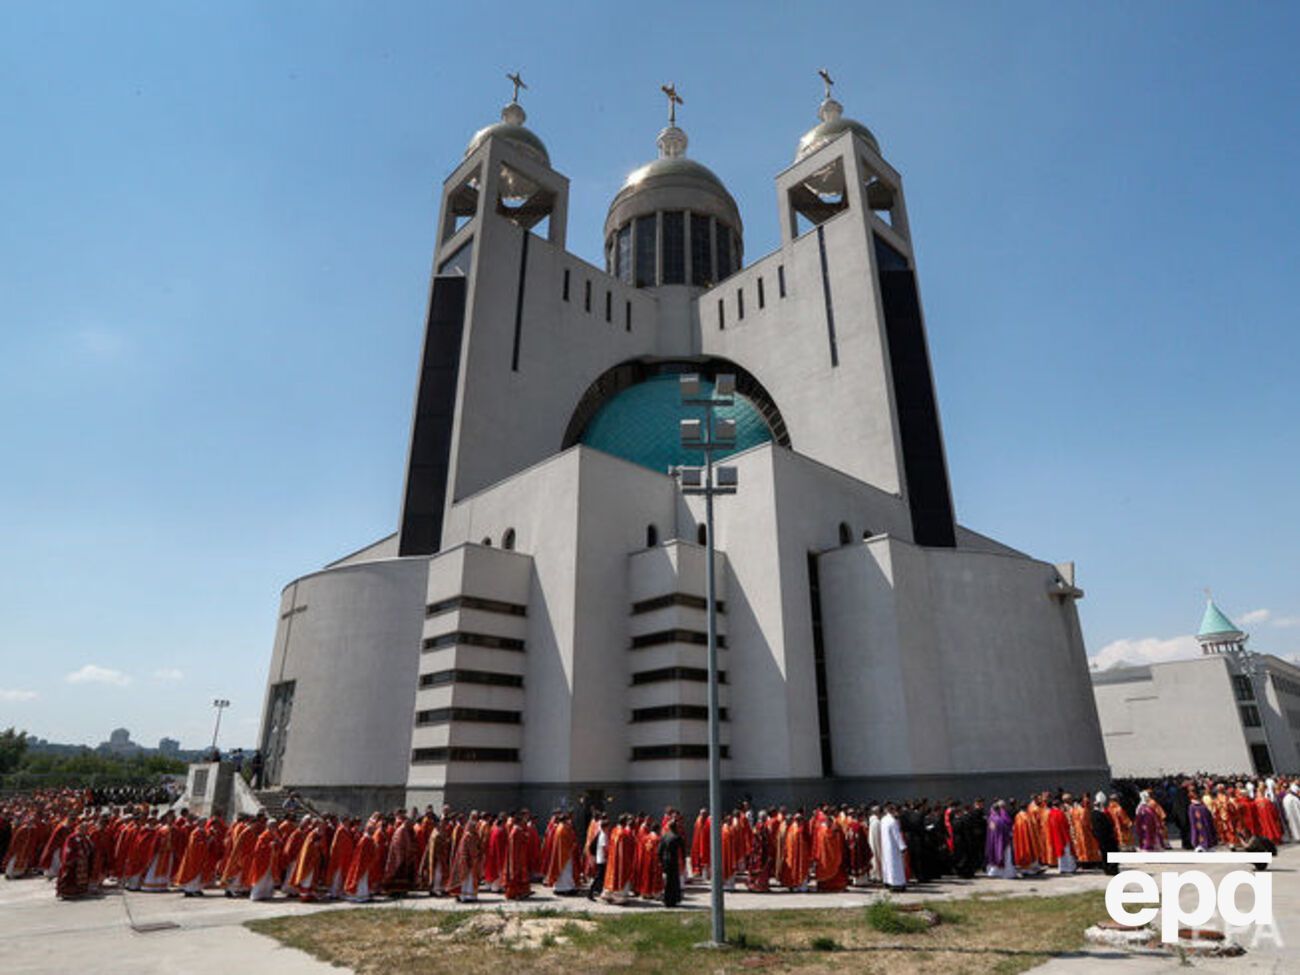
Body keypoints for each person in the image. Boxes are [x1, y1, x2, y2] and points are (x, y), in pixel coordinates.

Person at [880, 803, 907, 892]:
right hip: (893, 847)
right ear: (893, 811)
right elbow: (897, 836)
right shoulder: (892, 821)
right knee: (895, 866)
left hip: (885, 846)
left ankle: (887, 881)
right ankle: (897, 884)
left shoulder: (883, 820)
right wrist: (902, 847)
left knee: (887, 865)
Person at [658, 816, 684, 907]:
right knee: (674, 881)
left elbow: (659, 850)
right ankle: (673, 899)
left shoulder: (664, 836)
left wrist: (660, 860)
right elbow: (682, 849)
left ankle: (667, 899)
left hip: (665, 861)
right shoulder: (677, 837)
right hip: (673, 861)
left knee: (667, 881)